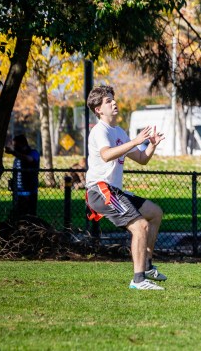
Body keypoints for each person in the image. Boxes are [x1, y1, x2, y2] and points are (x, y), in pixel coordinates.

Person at [84, 85, 168, 290]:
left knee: (155, 213)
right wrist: (136, 141)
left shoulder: (119, 131)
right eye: (107, 101)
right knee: (140, 227)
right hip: (100, 190)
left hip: (114, 191)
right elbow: (106, 155)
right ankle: (138, 280)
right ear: (98, 109)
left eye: (113, 99)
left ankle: (147, 266)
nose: (113, 102)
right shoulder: (99, 131)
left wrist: (151, 145)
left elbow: (141, 159)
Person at [5, 134, 40, 219]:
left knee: (29, 216)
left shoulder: (33, 153)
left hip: (29, 191)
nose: (14, 147)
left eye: (16, 145)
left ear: (22, 144)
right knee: (18, 215)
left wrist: (13, 152)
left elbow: (29, 159)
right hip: (17, 192)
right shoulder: (18, 156)